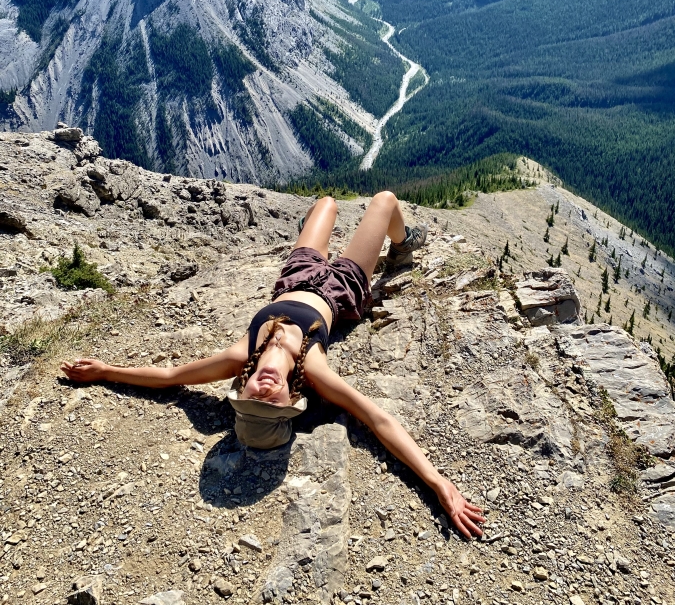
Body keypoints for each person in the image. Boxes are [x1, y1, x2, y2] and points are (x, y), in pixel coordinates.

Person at [61, 192, 484, 538]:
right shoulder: (312, 369)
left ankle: (337, 227)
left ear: (241, 390)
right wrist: (437, 483)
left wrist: (105, 371)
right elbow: (378, 419)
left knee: (326, 204)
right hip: (341, 289)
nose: (263, 391)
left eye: (252, 400)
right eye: (273, 403)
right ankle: (405, 241)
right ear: (292, 397)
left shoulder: (240, 356)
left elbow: (172, 378)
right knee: (386, 200)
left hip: (295, 276)